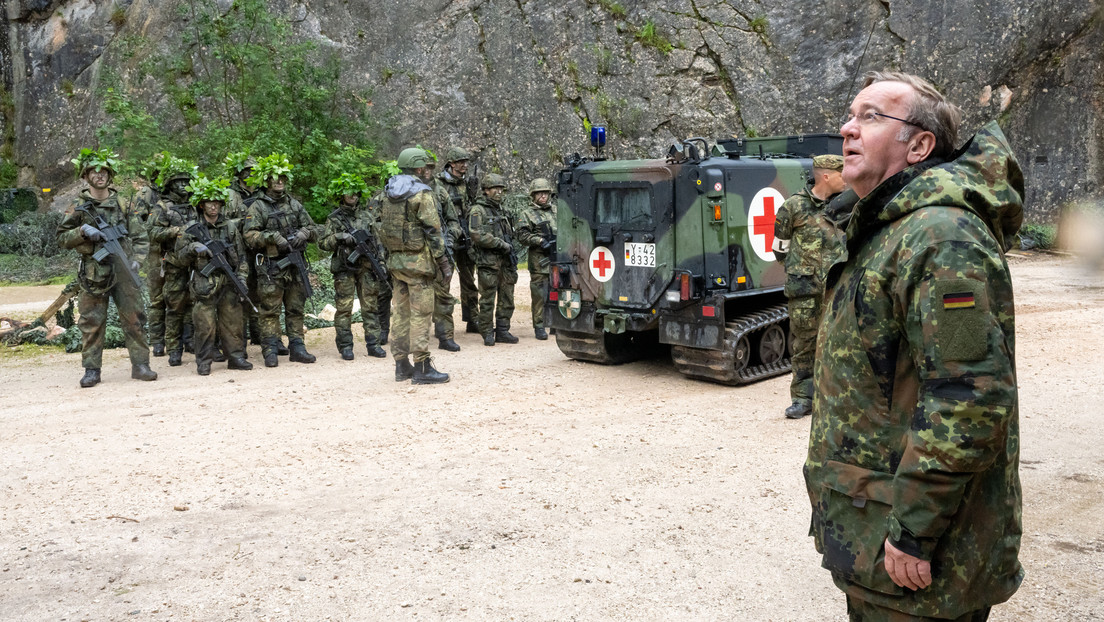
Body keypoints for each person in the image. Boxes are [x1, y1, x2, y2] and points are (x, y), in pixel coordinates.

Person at [804, 71, 1024, 621]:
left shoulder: (941, 238)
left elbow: (969, 396)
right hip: (871, 532)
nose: (847, 129)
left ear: (919, 145)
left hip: (918, 564)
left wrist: (915, 530)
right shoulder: (887, 232)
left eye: (871, 116)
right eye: (850, 115)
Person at [56, 148, 157, 387]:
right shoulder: (78, 205)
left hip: (124, 272)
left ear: (110, 176)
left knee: (135, 320)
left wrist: (138, 260)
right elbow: (61, 238)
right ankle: (92, 370)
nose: (99, 176)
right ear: (85, 176)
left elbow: (141, 236)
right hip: (93, 274)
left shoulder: (123, 203)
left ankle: (141, 365)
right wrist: (81, 231)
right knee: (91, 323)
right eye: (94, 171)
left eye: (104, 172)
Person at [772, 154, 847, 419]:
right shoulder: (793, 207)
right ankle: (803, 399)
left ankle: (835, 399)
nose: (846, 179)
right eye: (841, 174)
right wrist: (803, 269)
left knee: (840, 345)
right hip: (804, 291)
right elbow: (779, 249)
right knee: (805, 345)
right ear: (825, 175)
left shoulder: (847, 205)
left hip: (838, 288)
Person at [377, 147, 450, 384]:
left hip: (396, 262)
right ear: (418, 168)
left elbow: (379, 227)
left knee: (400, 312)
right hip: (419, 265)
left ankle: (401, 365)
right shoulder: (421, 194)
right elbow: (433, 231)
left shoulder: (386, 193)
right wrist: (443, 261)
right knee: (421, 314)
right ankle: (422, 367)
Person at [241, 154, 318, 368]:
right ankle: (270, 348)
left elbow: (315, 229)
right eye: (276, 178)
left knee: (295, 308)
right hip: (271, 268)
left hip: (295, 265)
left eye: (283, 178)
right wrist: (271, 237)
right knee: (269, 310)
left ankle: (297, 346)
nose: (280, 182)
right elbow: (249, 235)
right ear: (267, 181)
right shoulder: (258, 207)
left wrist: (305, 233)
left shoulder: (294, 204)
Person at [175, 176, 253, 375]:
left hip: (229, 281)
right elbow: (180, 258)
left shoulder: (230, 227)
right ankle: (204, 361)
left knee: (233, 321)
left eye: (217, 203)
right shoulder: (191, 229)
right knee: (205, 325)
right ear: (202, 205)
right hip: (204, 283)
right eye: (209, 203)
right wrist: (194, 248)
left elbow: (242, 257)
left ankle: (235, 357)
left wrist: (242, 278)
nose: (213, 207)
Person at [318, 173, 388, 360]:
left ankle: (373, 344)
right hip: (344, 269)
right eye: (349, 193)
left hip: (366, 267)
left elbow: (377, 241)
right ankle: (345, 346)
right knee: (344, 309)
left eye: (356, 193)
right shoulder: (334, 219)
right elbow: (323, 243)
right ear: (341, 195)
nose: (354, 196)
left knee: (370, 306)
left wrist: (381, 262)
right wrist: (340, 237)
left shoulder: (367, 216)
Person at [148, 158, 198, 367]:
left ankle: (190, 340)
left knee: (193, 303)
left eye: (185, 181)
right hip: (174, 263)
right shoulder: (163, 207)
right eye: (177, 182)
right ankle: (173, 348)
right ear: (170, 185)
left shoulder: (196, 204)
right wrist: (177, 231)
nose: (182, 186)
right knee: (173, 306)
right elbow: (152, 232)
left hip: (195, 263)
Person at [468, 173, 519, 346]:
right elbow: (476, 234)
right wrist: (499, 243)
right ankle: (487, 332)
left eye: (500, 188)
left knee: (507, 298)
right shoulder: (477, 210)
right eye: (494, 189)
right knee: (487, 299)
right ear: (486, 191)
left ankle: (503, 330)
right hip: (488, 262)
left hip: (505, 262)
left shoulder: (502, 210)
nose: (498, 192)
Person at [224, 152, 267, 350]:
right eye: (246, 171)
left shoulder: (263, 193)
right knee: (240, 291)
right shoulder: (229, 195)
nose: (250, 175)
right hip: (237, 249)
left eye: (254, 171)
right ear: (239, 173)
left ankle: (261, 336)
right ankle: (239, 340)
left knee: (261, 291)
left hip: (259, 249)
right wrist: (243, 222)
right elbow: (221, 222)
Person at [436, 147, 479, 333]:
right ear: (451, 163)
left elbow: (472, 209)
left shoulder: (466, 184)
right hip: (448, 237)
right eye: (461, 162)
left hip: (466, 236)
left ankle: (472, 319)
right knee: (443, 280)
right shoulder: (438, 184)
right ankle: (441, 323)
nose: (465, 165)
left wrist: (473, 194)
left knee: (469, 280)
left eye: (466, 162)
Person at [427, 156, 463, 352]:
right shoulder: (407, 193)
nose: (426, 171)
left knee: (442, 296)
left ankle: (445, 336)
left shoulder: (440, 192)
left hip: (440, 252)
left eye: (429, 168)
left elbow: (453, 221)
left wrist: (450, 238)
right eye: (422, 168)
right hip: (416, 255)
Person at [515, 177, 557, 340]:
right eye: (539, 193)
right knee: (539, 294)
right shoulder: (527, 214)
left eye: (545, 193)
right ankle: (539, 326)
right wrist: (539, 240)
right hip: (539, 259)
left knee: (556, 291)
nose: (543, 196)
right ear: (533, 195)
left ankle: (555, 323)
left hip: (556, 257)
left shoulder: (556, 210)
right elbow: (521, 235)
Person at [132, 153, 166, 356]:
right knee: (157, 299)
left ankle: (181, 339)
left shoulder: (174, 194)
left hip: (176, 251)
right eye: (158, 172)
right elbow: (138, 224)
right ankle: (158, 340)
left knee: (182, 297)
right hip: (154, 252)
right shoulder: (145, 194)